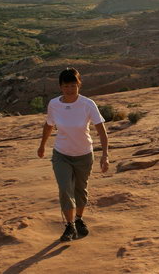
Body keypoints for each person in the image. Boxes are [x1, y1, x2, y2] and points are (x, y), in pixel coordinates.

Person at [37, 67, 110, 242]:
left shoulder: (87, 104)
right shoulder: (54, 104)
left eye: (73, 86)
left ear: (79, 85)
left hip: (84, 153)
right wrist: (42, 146)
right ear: (60, 87)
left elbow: (101, 130)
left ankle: (78, 219)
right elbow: (49, 125)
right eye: (66, 86)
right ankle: (69, 226)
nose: (70, 90)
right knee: (65, 189)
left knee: (80, 190)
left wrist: (105, 155)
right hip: (61, 153)